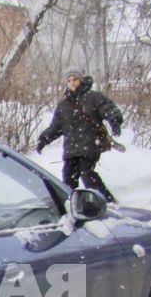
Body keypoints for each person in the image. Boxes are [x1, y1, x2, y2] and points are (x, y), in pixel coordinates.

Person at [36, 71, 125, 203]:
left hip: (89, 145)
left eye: (75, 79)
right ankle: (71, 205)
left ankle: (106, 202)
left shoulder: (93, 97)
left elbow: (109, 109)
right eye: (69, 80)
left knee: (87, 175)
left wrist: (114, 121)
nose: (72, 83)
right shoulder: (64, 105)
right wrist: (44, 139)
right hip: (71, 149)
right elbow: (56, 126)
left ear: (81, 81)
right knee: (68, 180)